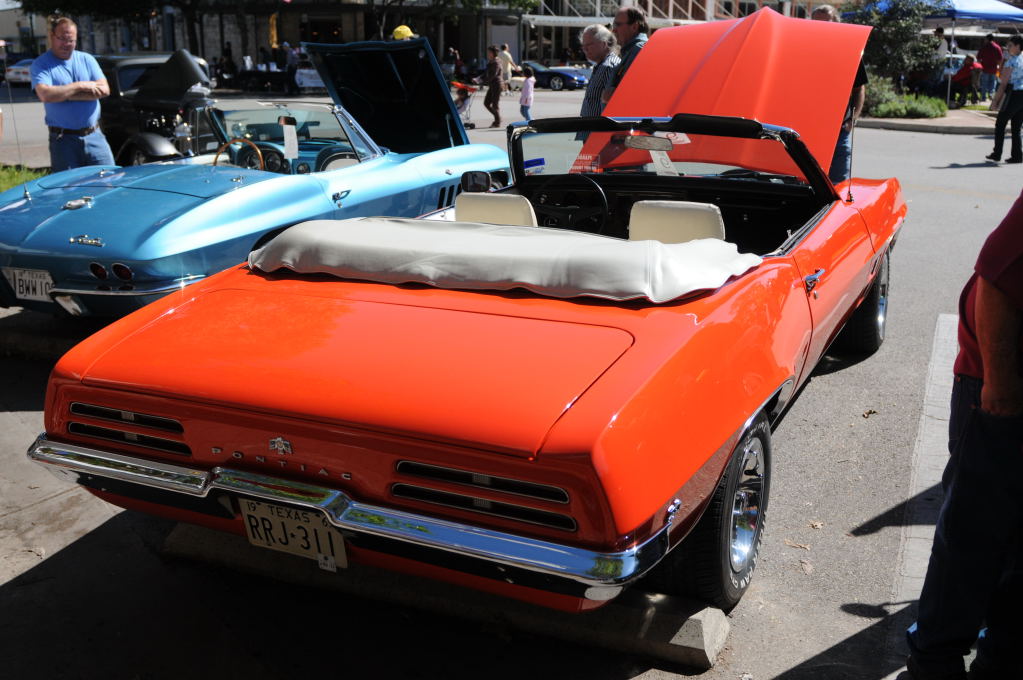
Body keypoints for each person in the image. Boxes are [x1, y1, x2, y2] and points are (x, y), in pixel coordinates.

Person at [905, 191, 1023, 680]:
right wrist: (1002, 387)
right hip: (1002, 390)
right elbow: (995, 282)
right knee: (972, 539)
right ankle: (935, 663)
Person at [30, 17, 115, 172]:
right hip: (63, 141)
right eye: (62, 39)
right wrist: (81, 85)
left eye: (71, 40)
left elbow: (104, 90)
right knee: (69, 185)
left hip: (95, 136)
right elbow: (46, 95)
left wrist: (64, 95)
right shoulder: (41, 64)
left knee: (110, 180)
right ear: (52, 36)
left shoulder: (87, 60)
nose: (66, 44)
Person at [810, 5, 866, 184]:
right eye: (816, 23)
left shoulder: (850, 52)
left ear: (837, 24)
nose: (821, 28)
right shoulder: (805, 50)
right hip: (807, 129)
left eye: (826, 23)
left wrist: (852, 120)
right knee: (806, 183)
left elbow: (858, 89)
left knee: (838, 185)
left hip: (838, 131)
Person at [987, 35, 1023, 164]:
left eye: (1010, 45)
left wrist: (995, 101)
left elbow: (1003, 84)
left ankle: (997, 153)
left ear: (1018, 46)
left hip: (1013, 94)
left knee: (1000, 123)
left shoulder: (1011, 61)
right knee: (1016, 127)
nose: (1008, 48)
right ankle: (1017, 155)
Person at [601, 6, 649, 105]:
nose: (613, 30)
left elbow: (634, 93)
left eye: (617, 25)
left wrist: (611, 95)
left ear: (634, 27)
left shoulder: (639, 50)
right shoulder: (631, 50)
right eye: (613, 25)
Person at [579, 24, 619, 117]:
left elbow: (610, 107)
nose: (585, 49)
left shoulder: (608, 66)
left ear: (604, 44)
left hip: (597, 126)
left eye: (589, 45)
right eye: (583, 46)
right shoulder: (601, 65)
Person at [481, 45, 504, 127]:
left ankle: (497, 122)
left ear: (494, 53)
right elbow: (486, 73)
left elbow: (493, 74)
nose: (488, 53)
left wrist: (483, 81)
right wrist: (478, 78)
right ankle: (498, 118)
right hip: (492, 85)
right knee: (486, 103)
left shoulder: (496, 62)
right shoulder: (491, 61)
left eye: (489, 52)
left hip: (497, 84)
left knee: (495, 105)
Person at [977, 34, 1003, 101]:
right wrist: (998, 66)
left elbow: (978, 58)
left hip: (985, 68)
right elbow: (1000, 59)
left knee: (984, 83)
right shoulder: (997, 47)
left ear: (987, 39)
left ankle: (983, 97)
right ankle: (991, 94)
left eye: (985, 39)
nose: (984, 40)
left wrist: (980, 66)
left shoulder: (984, 47)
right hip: (994, 68)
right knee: (993, 82)